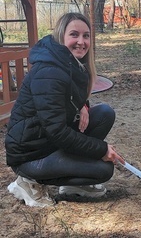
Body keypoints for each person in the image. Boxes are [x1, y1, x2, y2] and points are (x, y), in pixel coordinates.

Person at [5, 12, 125, 207]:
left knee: (104, 113)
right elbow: (57, 131)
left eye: (86, 36)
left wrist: (83, 105)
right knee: (103, 170)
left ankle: (73, 186)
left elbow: (69, 97)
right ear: (61, 37)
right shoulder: (49, 72)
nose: (81, 41)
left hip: (48, 141)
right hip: (31, 153)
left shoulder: (71, 64)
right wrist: (101, 149)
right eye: (74, 35)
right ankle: (27, 182)